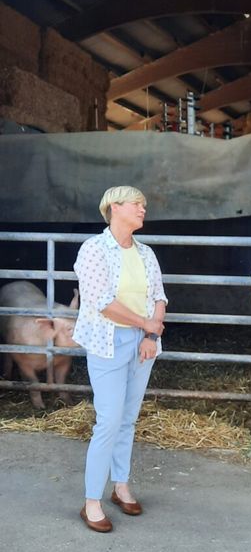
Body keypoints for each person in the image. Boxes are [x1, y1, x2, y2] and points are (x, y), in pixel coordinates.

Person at [73, 186, 167, 533]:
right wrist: (146, 324)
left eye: (144, 204)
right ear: (114, 207)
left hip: (141, 343)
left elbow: (159, 295)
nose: (143, 209)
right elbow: (102, 302)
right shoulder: (93, 250)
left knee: (128, 417)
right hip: (107, 341)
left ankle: (121, 484)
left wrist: (150, 336)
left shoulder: (145, 253)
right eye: (137, 204)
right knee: (109, 420)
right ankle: (91, 501)